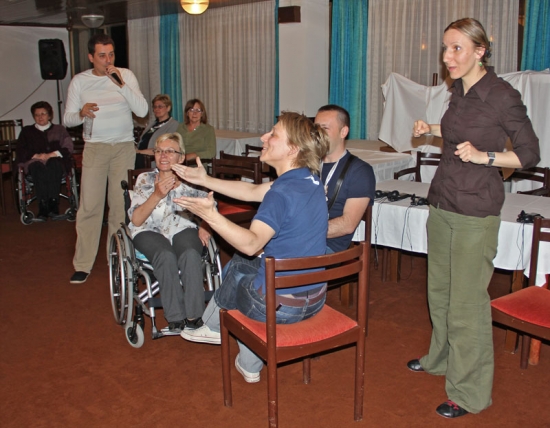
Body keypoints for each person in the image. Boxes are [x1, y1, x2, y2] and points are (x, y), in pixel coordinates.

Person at [407, 18, 540, 419]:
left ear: (480, 51)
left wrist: (486, 157)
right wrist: (430, 129)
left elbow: (530, 154)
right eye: (445, 48)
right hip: (443, 201)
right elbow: (459, 134)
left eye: (457, 48)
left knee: (467, 305)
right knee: (439, 293)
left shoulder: (502, 95)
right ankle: (441, 358)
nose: (448, 57)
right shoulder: (459, 91)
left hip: (475, 212)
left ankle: (470, 393)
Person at [172, 112, 329, 383]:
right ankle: (247, 361)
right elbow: (251, 192)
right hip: (315, 299)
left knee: (239, 266)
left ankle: (213, 327)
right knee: (243, 267)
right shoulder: (310, 180)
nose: (263, 138)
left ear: (292, 149)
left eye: (273, 134)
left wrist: (211, 216)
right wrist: (205, 179)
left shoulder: (280, 194)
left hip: (280, 307)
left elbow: (251, 243)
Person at [64, 33, 148, 284]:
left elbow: (142, 111)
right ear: (91, 57)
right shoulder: (80, 82)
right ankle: (83, 264)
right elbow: (68, 119)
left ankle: (117, 259)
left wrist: (121, 84)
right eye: (102, 55)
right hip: (95, 148)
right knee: (90, 206)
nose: (107, 59)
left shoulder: (126, 76)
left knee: (119, 207)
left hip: (123, 147)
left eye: (111, 54)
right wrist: (81, 113)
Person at [128, 133, 211, 334]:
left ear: (181, 158)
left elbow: (209, 205)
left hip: (182, 227)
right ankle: (175, 317)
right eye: (159, 151)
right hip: (148, 230)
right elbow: (137, 219)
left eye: (170, 151)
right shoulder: (144, 179)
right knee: (165, 256)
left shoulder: (192, 181)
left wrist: (205, 225)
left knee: (191, 254)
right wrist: (157, 194)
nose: (163, 156)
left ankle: (195, 315)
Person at [314, 105, 375, 252]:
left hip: (326, 247)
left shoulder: (359, 171)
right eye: (316, 128)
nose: (317, 133)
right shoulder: (308, 164)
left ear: (343, 132)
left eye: (325, 128)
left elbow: (348, 224)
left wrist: (300, 232)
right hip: (298, 241)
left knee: (257, 267)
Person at [16, 101, 74, 221]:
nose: (40, 117)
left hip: (55, 160)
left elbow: (68, 146)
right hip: (34, 161)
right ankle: (42, 206)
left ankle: (53, 205)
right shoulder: (27, 131)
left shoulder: (59, 129)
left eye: (43, 113)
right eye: (37, 115)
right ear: (33, 117)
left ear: (49, 115)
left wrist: (51, 155)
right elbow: (21, 150)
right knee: (37, 167)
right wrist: (36, 155)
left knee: (54, 164)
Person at [135, 94, 179, 169]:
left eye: (160, 107)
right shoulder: (152, 124)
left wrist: (139, 152)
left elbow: (163, 148)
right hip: (139, 155)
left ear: (168, 108)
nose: (157, 109)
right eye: (155, 107)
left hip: (152, 159)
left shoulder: (173, 125)